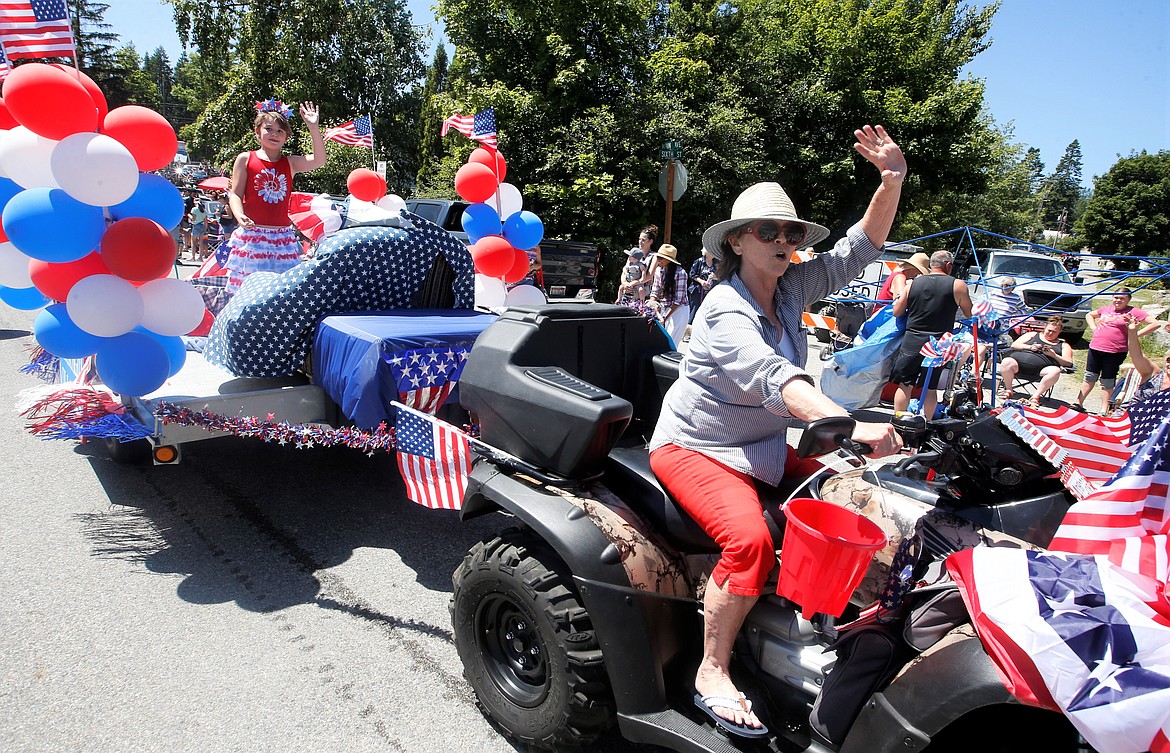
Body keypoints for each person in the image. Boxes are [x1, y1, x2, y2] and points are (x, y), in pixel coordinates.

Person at [648, 125, 905, 736]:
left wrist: (891, 179)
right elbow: (775, 376)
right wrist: (846, 421)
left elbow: (861, 248)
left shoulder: (790, 290)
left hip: (761, 446)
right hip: (696, 447)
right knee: (749, 542)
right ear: (737, 242)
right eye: (769, 231)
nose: (784, 241)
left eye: (791, 232)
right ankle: (712, 670)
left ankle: (824, 627)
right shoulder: (723, 308)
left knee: (859, 499)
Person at [223, 99, 326, 294]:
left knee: (280, 294)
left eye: (280, 131)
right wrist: (239, 215)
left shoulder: (291, 163)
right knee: (248, 293)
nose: (274, 134)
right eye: (269, 129)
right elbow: (235, 193)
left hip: (282, 239)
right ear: (257, 131)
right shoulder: (246, 158)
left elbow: (320, 160)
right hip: (252, 237)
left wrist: (313, 127)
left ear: (286, 136)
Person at [890, 250, 974, 418]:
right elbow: (969, 313)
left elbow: (897, 311)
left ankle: (898, 421)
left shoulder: (913, 283)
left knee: (905, 384)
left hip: (913, 339)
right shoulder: (958, 285)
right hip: (939, 342)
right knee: (930, 387)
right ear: (948, 265)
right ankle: (926, 425)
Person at [1074, 288, 1161, 412]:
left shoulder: (1133, 311)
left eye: (1122, 298)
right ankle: (1078, 403)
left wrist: (1135, 334)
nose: (1118, 300)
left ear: (1128, 300)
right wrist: (1094, 328)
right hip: (1096, 347)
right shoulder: (1106, 309)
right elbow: (1090, 315)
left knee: (1107, 379)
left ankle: (1104, 410)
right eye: (1116, 297)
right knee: (1090, 376)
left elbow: (1155, 324)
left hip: (1115, 351)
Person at [997, 315, 1074, 407]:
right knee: (1007, 361)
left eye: (1054, 332)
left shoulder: (1063, 345)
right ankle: (1009, 390)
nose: (1050, 333)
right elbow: (1014, 345)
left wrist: (1053, 355)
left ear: (1059, 332)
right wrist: (1030, 347)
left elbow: (1068, 362)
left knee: (1055, 371)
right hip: (1018, 367)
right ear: (1045, 328)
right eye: (1049, 330)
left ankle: (1035, 397)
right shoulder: (1032, 335)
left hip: (1041, 372)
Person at [1108, 314, 1170, 414]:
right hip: (1131, 418)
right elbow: (1137, 355)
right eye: (1168, 360)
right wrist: (1132, 332)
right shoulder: (1153, 373)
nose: (1169, 364)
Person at [646, 243, 690, 344]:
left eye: (661, 258)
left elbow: (678, 301)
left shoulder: (681, 273)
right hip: (663, 308)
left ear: (669, 260)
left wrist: (665, 317)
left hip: (678, 311)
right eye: (658, 257)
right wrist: (650, 305)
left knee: (670, 342)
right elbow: (655, 291)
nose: (658, 260)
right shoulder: (658, 271)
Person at [687, 247, 718, 323]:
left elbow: (723, 276)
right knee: (694, 311)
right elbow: (692, 274)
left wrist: (716, 277)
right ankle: (689, 329)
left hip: (711, 292)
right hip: (697, 291)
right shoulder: (699, 261)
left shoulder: (718, 263)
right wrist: (701, 281)